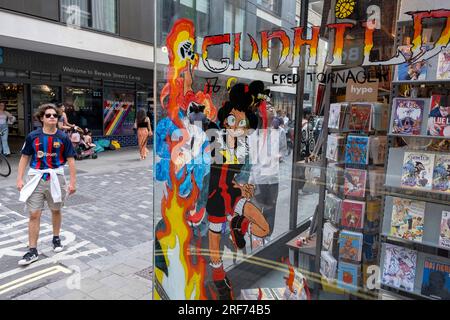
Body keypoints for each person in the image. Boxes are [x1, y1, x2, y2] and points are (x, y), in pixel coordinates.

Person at [16, 104, 77, 266]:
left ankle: (56, 238)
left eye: (55, 116)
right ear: (42, 118)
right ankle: (32, 250)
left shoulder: (63, 137)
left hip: (56, 178)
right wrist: (19, 179)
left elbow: (71, 159)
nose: (52, 117)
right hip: (35, 178)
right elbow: (24, 157)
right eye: (48, 115)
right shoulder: (33, 136)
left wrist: (72, 182)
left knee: (56, 210)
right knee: (34, 214)